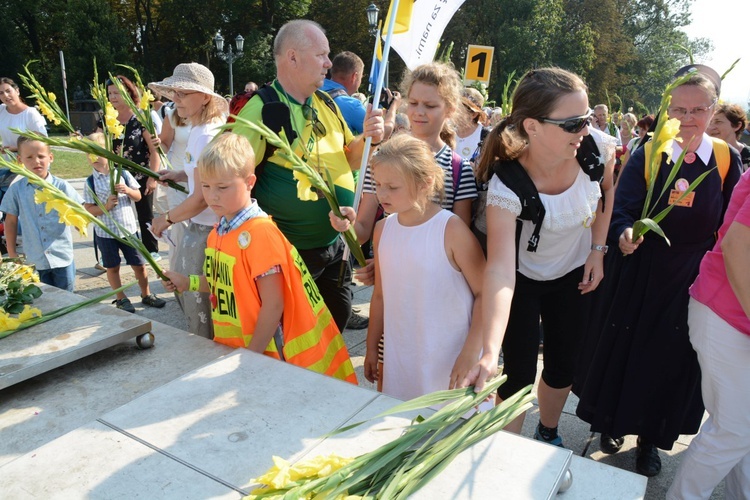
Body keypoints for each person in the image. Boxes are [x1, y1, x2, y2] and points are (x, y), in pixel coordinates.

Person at [575, 65, 742, 477]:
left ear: (712, 109)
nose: (687, 119)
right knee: (625, 352)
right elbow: (623, 207)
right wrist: (626, 232)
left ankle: (651, 440)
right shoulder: (650, 152)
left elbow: (733, 224)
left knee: (671, 363)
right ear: (667, 109)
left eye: (697, 110)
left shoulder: (725, 160)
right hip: (640, 269)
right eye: (678, 110)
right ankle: (610, 426)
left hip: (691, 278)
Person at [467, 67, 616, 447]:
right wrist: (487, 349)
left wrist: (598, 250)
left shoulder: (596, 149)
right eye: (574, 123)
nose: (586, 129)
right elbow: (500, 269)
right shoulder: (508, 185)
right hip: (522, 279)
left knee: (564, 363)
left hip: (572, 274)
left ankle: (548, 429)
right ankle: (508, 451)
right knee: (516, 373)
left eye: (588, 119)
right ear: (531, 126)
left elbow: (606, 192)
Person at [163, 133, 358, 384]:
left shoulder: (260, 234)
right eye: (206, 186)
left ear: (249, 182)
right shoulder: (218, 233)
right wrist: (187, 282)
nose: (212, 196)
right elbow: (224, 283)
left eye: (222, 187)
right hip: (240, 351)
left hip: (269, 357)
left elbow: (274, 305)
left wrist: (251, 356)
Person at [231, 19, 385, 332]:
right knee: (297, 335)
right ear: (292, 57)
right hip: (291, 254)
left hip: (336, 246)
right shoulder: (260, 110)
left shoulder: (325, 102)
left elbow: (349, 159)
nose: (329, 63)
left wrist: (368, 138)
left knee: (335, 323)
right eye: (321, 55)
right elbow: (233, 180)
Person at [334, 134, 484, 399]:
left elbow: (485, 293)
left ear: (425, 184)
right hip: (401, 353)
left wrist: (472, 351)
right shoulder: (382, 230)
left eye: (393, 187)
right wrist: (371, 349)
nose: (382, 194)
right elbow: (380, 295)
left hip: (449, 356)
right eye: (378, 184)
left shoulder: (451, 230)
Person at [667, 169, 750, 499]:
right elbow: (737, 246)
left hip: (732, 315)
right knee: (733, 429)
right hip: (727, 314)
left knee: (740, 428)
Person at [149, 63, 228, 339]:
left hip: (208, 229)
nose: (175, 99)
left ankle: (206, 354)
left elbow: (203, 198)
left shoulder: (206, 134)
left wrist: (166, 218)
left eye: (183, 94)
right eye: (174, 93)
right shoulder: (200, 127)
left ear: (205, 97)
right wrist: (180, 174)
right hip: (204, 226)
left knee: (198, 300)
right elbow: (205, 176)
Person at [83, 132, 166, 312]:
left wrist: (128, 190)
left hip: (128, 230)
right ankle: (121, 298)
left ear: (109, 152)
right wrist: (105, 207)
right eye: (89, 153)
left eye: (98, 152)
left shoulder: (123, 173)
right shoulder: (90, 182)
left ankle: (146, 294)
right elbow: (88, 208)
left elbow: (137, 197)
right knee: (112, 267)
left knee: (139, 265)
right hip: (106, 233)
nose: (95, 158)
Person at [0, 137, 81, 291]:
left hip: (62, 257)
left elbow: (79, 212)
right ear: (20, 160)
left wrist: (79, 224)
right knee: (43, 301)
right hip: (34, 259)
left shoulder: (62, 186)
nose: (36, 161)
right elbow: (10, 221)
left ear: (50, 157)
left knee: (68, 300)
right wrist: (12, 253)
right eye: (29, 157)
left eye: (41, 156)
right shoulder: (16, 189)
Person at [100, 75, 162, 261]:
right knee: (114, 212)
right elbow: (97, 143)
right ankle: (112, 251)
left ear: (129, 92)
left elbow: (154, 151)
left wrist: (153, 176)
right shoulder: (106, 119)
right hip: (116, 177)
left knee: (145, 214)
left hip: (141, 174)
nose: (113, 97)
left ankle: (151, 250)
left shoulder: (140, 118)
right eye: (110, 93)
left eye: (117, 93)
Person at [157, 100, 192, 267]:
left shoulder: (215, 117)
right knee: (180, 229)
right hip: (178, 182)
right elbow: (164, 145)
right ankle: (177, 276)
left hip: (204, 180)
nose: (180, 97)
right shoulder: (172, 115)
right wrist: (156, 144)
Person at [0, 77, 47, 160]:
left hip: (29, 165)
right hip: (8, 164)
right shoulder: (1, 110)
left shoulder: (31, 113)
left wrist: (16, 148)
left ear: (17, 91)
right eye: (1, 93)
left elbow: (43, 141)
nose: (6, 95)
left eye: (8, 91)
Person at [708, 102, 750, 171]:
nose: (711, 127)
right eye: (710, 122)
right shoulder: (703, 154)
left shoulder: (747, 157)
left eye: (718, 122)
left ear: (737, 126)